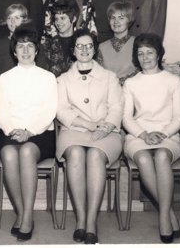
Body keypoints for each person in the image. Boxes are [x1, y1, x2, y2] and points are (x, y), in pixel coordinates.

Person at [56, 29, 123, 244]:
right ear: (73, 51)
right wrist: (89, 125)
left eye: (89, 46)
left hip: (107, 131)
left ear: (94, 50)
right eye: (79, 46)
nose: (84, 50)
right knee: (75, 153)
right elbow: (62, 111)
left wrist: (104, 127)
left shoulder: (109, 77)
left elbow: (116, 107)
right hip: (74, 130)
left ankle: (92, 221)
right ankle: (81, 220)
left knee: (95, 155)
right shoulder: (63, 79)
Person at [0, 27, 57, 242]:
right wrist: (13, 130)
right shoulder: (5, 78)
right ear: (14, 51)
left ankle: (27, 217)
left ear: (37, 50)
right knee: (10, 154)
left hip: (40, 133)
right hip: (10, 131)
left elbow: (50, 111)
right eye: (21, 46)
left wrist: (29, 132)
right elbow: (0, 110)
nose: (26, 50)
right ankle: (22, 212)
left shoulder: (48, 77)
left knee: (27, 151)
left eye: (30, 45)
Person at [122, 33, 180, 243]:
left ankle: (164, 217)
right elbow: (126, 118)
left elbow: (179, 117)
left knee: (161, 157)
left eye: (149, 52)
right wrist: (143, 134)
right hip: (138, 134)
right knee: (144, 159)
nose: (145, 57)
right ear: (136, 57)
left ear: (158, 54)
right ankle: (169, 214)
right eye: (140, 53)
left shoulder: (172, 80)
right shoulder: (131, 83)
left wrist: (163, 134)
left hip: (168, 134)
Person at [0, 4, 31, 93]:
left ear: (24, 20)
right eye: (9, 18)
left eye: (17, 18)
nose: (12, 21)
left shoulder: (33, 44)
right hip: (5, 95)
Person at [96, 0, 137, 85]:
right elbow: (99, 75)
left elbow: (142, 72)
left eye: (121, 18)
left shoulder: (137, 44)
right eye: (113, 18)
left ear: (129, 20)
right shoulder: (102, 47)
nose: (116, 21)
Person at [37, 0, 79, 77]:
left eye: (62, 18)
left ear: (73, 19)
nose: (58, 22)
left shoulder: (79, 42)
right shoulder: (47, 42)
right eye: (56, 19)